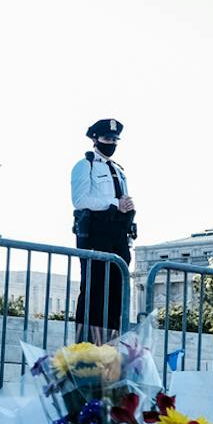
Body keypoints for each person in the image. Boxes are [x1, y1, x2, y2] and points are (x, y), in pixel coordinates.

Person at [71, 117, 134, 333]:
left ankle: (111, 344)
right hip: (95, 234)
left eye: (115, 139)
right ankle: (88, 342)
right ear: (95, 139)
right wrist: (115, 204)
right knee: (94, 290)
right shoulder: (85, 165)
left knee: (117, 291)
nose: (112, 143)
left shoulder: (118, 169)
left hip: (118, 234)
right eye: (108, 138)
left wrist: (126, 205)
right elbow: (80, 201)